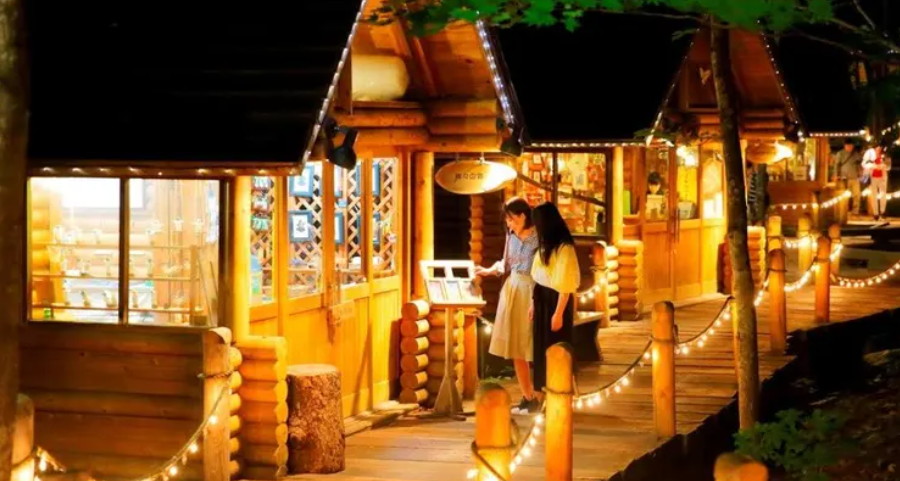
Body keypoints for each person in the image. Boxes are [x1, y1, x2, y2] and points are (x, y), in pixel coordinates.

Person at [475, 197, 539, 414]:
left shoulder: (537, 237)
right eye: (507, 220)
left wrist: (536, 298)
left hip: (531, 289)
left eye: (511, 219)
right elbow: (506, 263)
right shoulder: (510, 236)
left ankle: (542, 394)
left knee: (532, 344)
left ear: (523, 216)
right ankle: (528, 396)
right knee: (516, 347)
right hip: (512, 289)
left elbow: (542, 268)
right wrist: (488, 270)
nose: (509, 224)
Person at [529, 202, 580, 403]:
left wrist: (558, 313)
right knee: (540, 347)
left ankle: (559, 391)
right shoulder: (544, 246)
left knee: (556, 345)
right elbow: (537, 277)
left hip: (556, 300)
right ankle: (541, 392)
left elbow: (565, 285)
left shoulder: (564, 248)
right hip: (541, 298)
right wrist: (532, 303)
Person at [832, 139, 863, 215]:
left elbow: (859, 163)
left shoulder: (856, 154)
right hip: (844, 177)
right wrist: (836, 175)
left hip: (855, 177)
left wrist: (860, 173)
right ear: (845, 146)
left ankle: (855, 210)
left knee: (856, 195)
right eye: (848, 146)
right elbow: (836, 165)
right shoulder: (840, 154)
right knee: (845, 195)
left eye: (851, 146)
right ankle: (845, 210)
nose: (850, 147)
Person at [863, 142, 891, 222]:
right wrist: (874, 166)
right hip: (873, 178)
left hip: (882, 178)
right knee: (874, 196)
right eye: (876, 149)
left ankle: (882, 212)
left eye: (879, 148)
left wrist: (882, 166)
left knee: (883, 195)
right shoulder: (869, 156)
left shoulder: (885, 156)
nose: (878, 150)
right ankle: (875, 213)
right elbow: (865, 164)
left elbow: (888, 166)